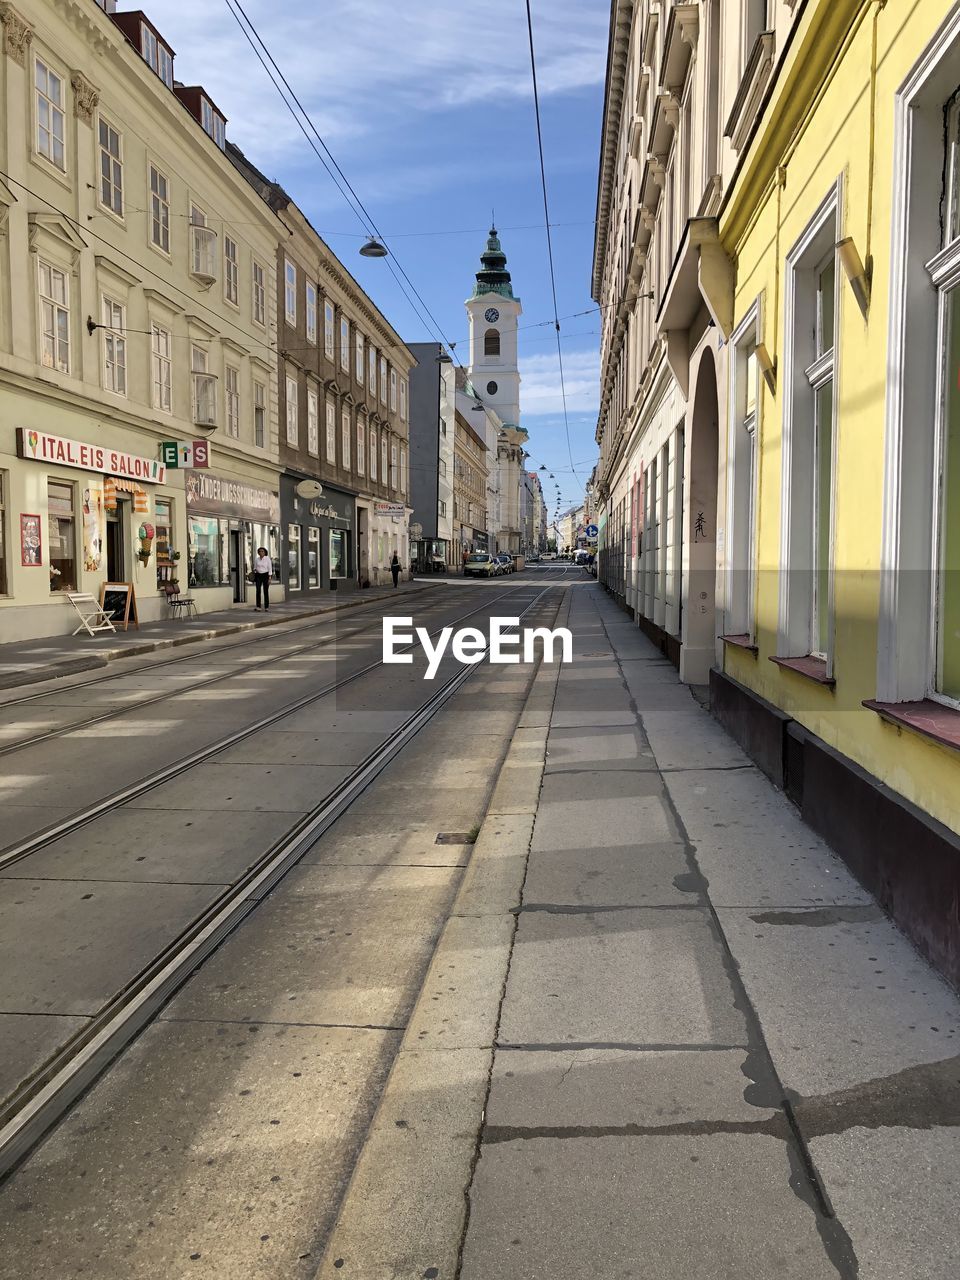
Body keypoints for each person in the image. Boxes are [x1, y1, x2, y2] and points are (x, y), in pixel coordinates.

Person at [253, 546, 272, 611]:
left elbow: (270, 568)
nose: (261, 553)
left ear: (265, 552)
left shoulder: (267, 559)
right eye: (259, 551)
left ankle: (266, 607)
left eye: (262, 551)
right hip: (258, 575)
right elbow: (255, 567)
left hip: (265, 575)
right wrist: (255, 571)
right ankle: (258, 606)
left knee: (265, 591)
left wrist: (269, 578)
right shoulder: (257, 559)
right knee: (258, 591)